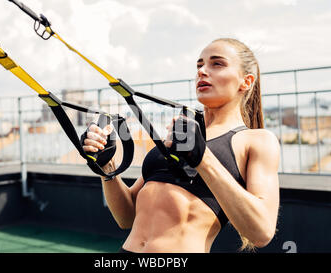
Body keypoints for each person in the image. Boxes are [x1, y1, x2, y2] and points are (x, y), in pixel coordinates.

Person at [82, 38, 280, 253]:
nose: (203, 71)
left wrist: (202, 158)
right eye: (199, 65)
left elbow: (261, 233)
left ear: (246, 81)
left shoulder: (257, 140)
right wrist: (107, 168)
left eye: (217, 64)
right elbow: (126, 217)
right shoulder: (179, 136)